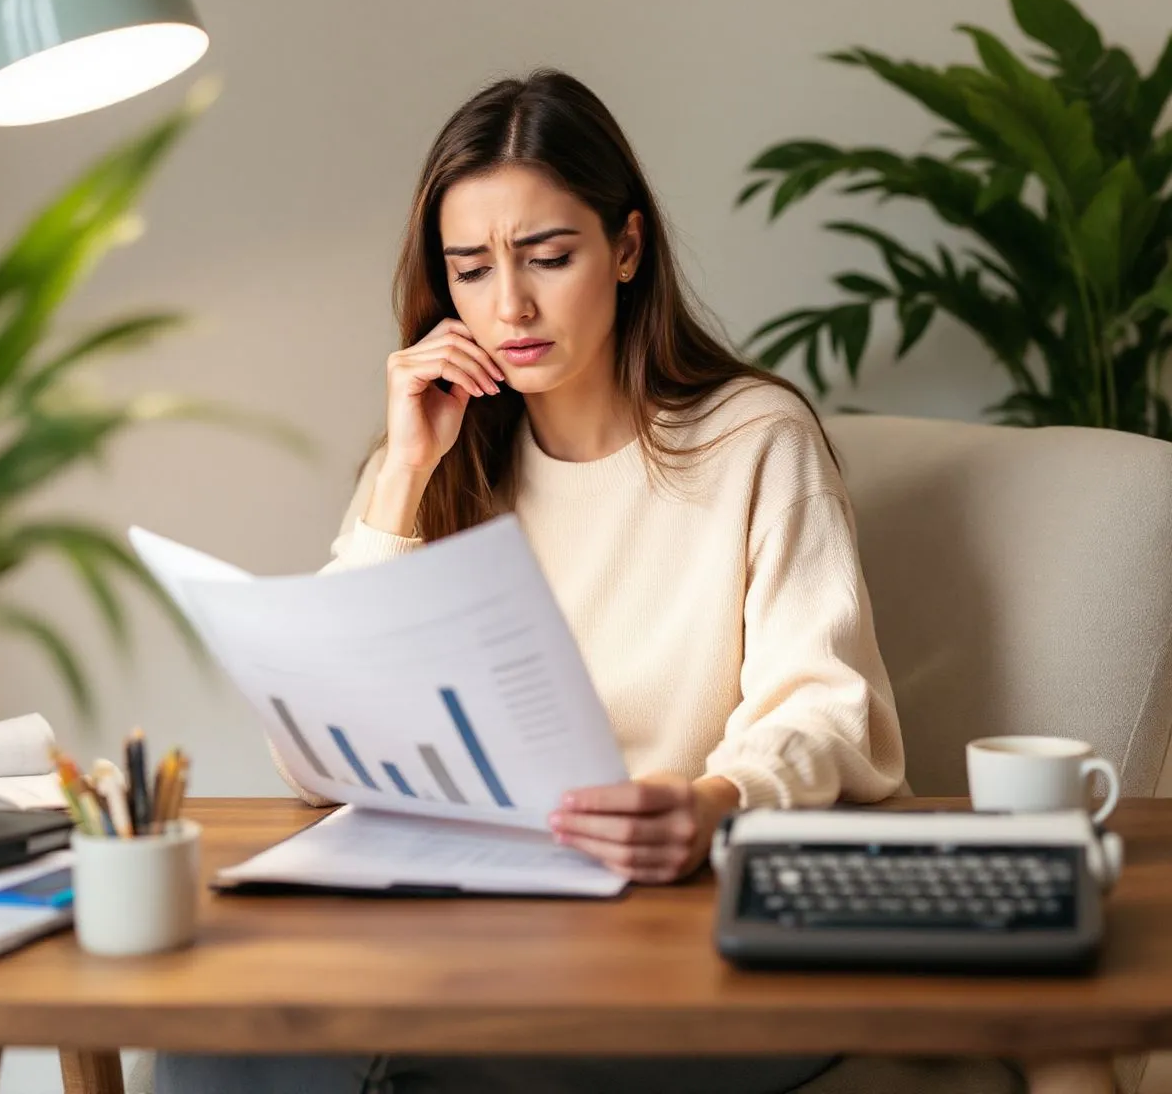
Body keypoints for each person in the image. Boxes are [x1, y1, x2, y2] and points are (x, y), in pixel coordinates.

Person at [156, 71, 1111, 1094]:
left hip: (681, 924)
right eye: (470, 269)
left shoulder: (751, 440)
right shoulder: (442, 464)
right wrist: (398, 477)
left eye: (548, 256)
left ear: (626, 247)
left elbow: (829, 711)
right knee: (209, 1038)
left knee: (387, 1067)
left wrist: (709, 803)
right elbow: (318, 758)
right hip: (474, 928)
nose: (508, 305)